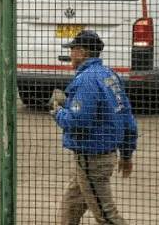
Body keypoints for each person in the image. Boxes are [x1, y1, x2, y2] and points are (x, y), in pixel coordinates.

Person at [49, 29, 138, 225]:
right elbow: (127, 118)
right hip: (99, 157)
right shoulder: (108, 75)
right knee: (70, 207)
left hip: (92, 159)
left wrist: (58, 111)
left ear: (81, 52)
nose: (70, 54)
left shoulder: (86, 80)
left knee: (106, 216)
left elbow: (77, 122)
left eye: (72, 49)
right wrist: (126, 154)